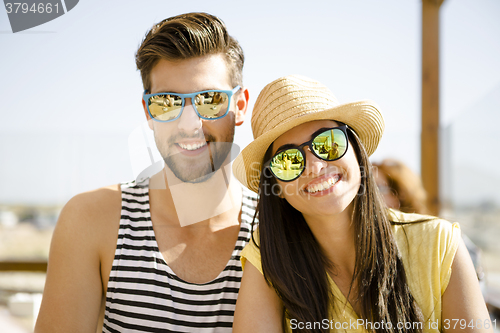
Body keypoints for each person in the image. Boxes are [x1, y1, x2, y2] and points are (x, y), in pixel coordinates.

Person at [35, 13, 255, 332]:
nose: (189, 124)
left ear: (241, 106)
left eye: (209, 100)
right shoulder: (91, 221)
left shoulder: (273, 230)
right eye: (167, 102)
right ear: (148, 113)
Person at [232, 75, 491, 332]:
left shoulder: (440, 244)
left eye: (328, 143)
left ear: (357, 151)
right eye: (288, 160)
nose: (315, 166)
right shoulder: (268, 263)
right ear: (275, 186)